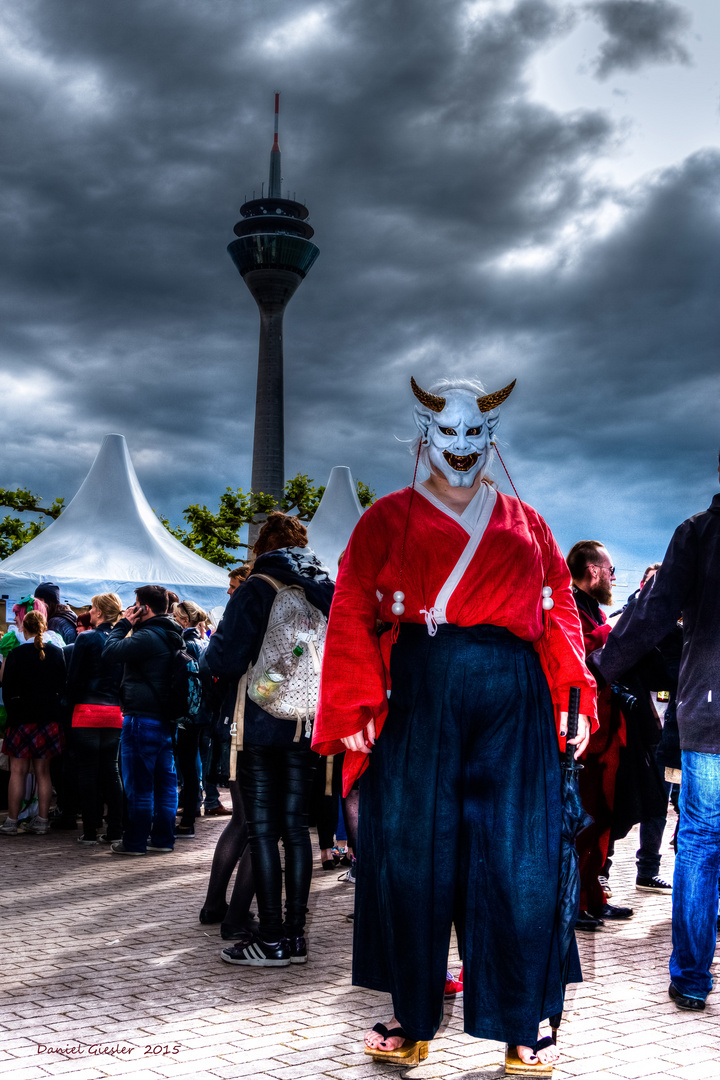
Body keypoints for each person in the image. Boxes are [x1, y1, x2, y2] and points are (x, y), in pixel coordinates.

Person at [312, 376, 595, 1069]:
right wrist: (352, 701)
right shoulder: (383, 518)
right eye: (449, 434)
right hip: (421, 689)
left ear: (491, 437)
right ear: (424, 435)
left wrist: (575, 696)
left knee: (520, 857)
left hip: (515, 695)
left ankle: (526, 1018)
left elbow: (558, 609)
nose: (462, 447)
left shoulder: (529, 523)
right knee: (411, 854)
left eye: (475, 434)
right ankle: (412, 1011)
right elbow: (351, 605)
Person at [588, 454, 720, 1012]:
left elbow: (653, 612)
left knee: (699, 842)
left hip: (709, 712)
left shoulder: (698, 533)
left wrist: (599, 665)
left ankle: (691, 978)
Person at [206, 512, 334, 967]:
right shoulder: (323, 590)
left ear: (263, 547)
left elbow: (225, 655)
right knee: (297, 830)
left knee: (262, 832)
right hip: (304, 722)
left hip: (258, 718)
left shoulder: (257, 587)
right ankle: (296, 937)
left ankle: (272, 935)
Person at [566, 541, 634, 931]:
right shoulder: (571, 607)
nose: (612, 577)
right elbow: (576, 654)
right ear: (593, 570)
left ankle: (593, 896)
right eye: (609, 569)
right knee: (583, 821)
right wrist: (610, 632)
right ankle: (574, 902)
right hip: (583, 735)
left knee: (602, 818)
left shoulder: (591, 608)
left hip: (605, 736)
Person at [102, 585, 183, 856]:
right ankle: (162, 839)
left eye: (134, 604)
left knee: (139, 785)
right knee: (166, 785)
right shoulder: (173, 634)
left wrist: (123, 622)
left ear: (144, 607)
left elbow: (110, 652)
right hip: (166, 720)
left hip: (141, 719)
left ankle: (135, 842)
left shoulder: (148, 635)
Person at [0, 610, 66, 836]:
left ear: (23, 628)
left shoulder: (16, 654)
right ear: (44, 627)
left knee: (17, 771)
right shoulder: (57, 653)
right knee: (43, 772)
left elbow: (6, 688)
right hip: (48, 720)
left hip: (20, 720)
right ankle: (42, 821)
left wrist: (12, 714)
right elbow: (62, 686)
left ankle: (11, 821)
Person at [66, 593, 124, 845]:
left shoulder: (86, 638)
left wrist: (69, 706)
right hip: (114, 712)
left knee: (87, 770)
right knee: (111, 771)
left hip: (87, 710)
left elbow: (74, 677)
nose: (89, 610)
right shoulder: (122, 640)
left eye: (92, 607)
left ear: (99, 612)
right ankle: (115, 829)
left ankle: (90, 830)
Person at [173, 600, 213, 839]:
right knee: (195, 767)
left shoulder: (185, 643)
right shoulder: (204, 641)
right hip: (205, 713)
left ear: (185, 621)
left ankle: (187, 821)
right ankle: (190, 815)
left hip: (188, 714)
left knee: (186, 768)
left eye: (177, 618)